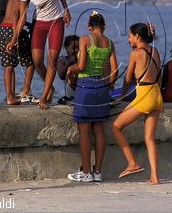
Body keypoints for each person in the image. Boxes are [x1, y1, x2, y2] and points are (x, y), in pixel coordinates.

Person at [8, 0, 71, 110]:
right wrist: (14, 38)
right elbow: (23, 16)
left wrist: (66, 9)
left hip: (56, 21)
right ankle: (50, 87)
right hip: (39, 23)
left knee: (52, 59)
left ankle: (44, 95)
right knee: (36, 61)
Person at [66, 12, 117, 182]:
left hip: (85, 87)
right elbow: (114, 70)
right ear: (104, 26)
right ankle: (98, 172)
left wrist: (69, 69)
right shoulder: (110, 43)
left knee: (85, 130)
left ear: (89, 26)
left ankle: (86, 172)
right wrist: (109, 85)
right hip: (102, 88)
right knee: (99, 129)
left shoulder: (85, 40)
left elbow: (81, 66)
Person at [112, 23, 162, 184]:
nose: (128, 39)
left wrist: (122, 95)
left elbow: (127, 79)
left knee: (116, 126)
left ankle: (132, 163)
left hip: (144, 95)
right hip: (156, 95)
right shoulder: (155, 51)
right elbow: (159, 76)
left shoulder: (136, 53)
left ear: (137, 37)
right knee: (149, 137)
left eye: (129, 36)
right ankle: (154, 176)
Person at [0, 0, 35, 105]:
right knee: (31, 62)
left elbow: (12, 13)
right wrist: (15, 37)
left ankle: (10, 96)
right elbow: (16, 14)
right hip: (12, 30)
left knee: (8, 65)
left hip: (3, 28)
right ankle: (25, 90)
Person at [57, 34, 79, 103]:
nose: (76, 50)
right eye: (73, 48)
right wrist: (70, 62)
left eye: (79, 48)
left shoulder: (83, 60)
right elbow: (61, 76)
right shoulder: (63, 59)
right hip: (71, 91)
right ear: (67, 48)